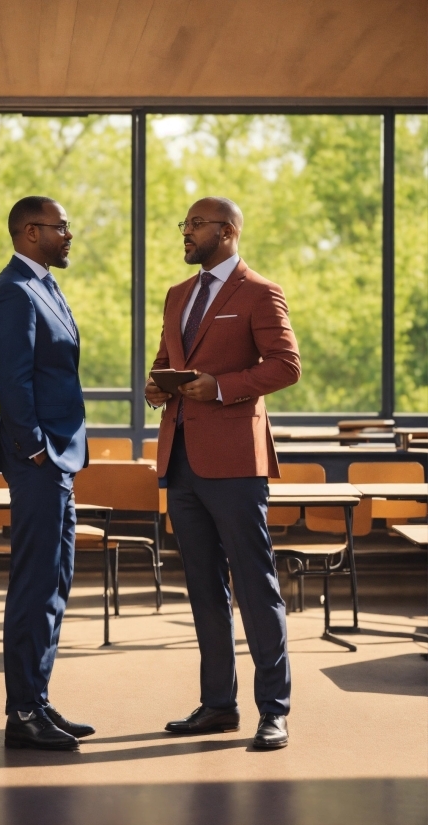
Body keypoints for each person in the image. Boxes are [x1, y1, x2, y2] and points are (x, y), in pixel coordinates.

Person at [146, 197, 300, 749]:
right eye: (183, 222)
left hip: (235, 461)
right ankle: (218, 705)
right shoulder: (177, 294)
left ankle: (273, 709)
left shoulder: (260, 292)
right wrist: (156, 382)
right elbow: (168, 355)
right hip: (181, 458)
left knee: (255, 587)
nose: (185, 232)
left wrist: (217, 387)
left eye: (194, 224)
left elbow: (286, 365)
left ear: (227, 231)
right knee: (203, 588)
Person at [0, 196, 94, 751]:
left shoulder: (45, 285)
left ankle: (37, 702)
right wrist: (35, 451)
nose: (69, 235)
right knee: (34, 584)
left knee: (55, 581)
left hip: (56, 461)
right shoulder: (13, 292)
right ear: (31, 232)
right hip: (40, 461)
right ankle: (22, 712)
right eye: (61, 227)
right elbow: (11, 380)